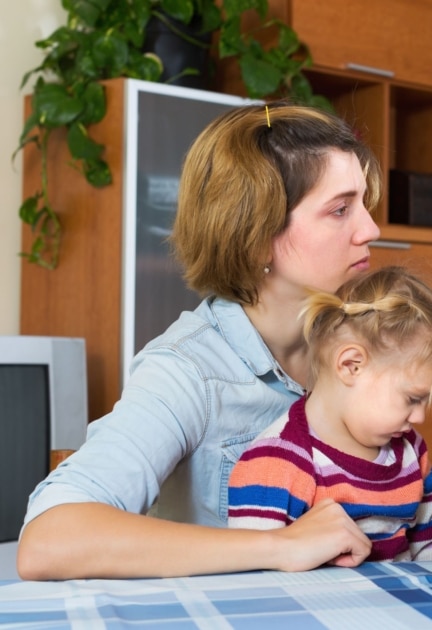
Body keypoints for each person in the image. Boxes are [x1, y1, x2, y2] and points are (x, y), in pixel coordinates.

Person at [18, 102, 385, 579]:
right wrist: (276, 547)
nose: (371, 229)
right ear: (256, 237)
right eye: (340, 209)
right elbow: (49, 540)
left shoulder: (367, 342)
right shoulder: (187, 370)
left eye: (363, 203)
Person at [227, 266, 432, 563]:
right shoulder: (276, 463)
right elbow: (255, 566)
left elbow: (429, 547)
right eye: (412, 398)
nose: (419, 417)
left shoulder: (411, 453)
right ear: (351, 365)